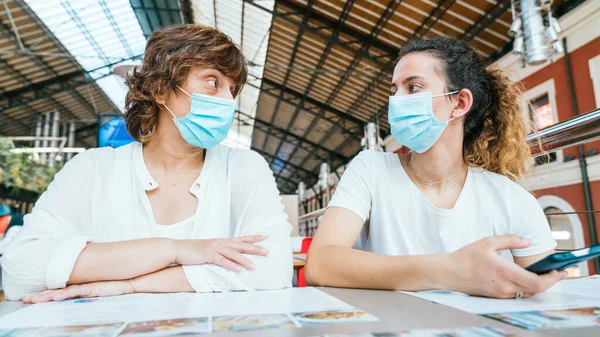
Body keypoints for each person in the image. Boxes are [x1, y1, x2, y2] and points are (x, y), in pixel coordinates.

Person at [2, 24, 292, 302]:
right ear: (160, 90)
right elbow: (20, 270)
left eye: (233, 89)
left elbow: (272, 268)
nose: (228, 101)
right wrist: (175, 251)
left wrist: (130, 285)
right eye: (213, 82)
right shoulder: (92, 169)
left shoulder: (244, 168)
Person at [305, 38, 566, 299]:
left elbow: (544, 294)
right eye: (394, 90)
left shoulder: (510, 198)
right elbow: (320, 264)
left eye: (413, 87)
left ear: (460, 103)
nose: (396, 101)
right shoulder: (370, 169)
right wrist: (450, 271)